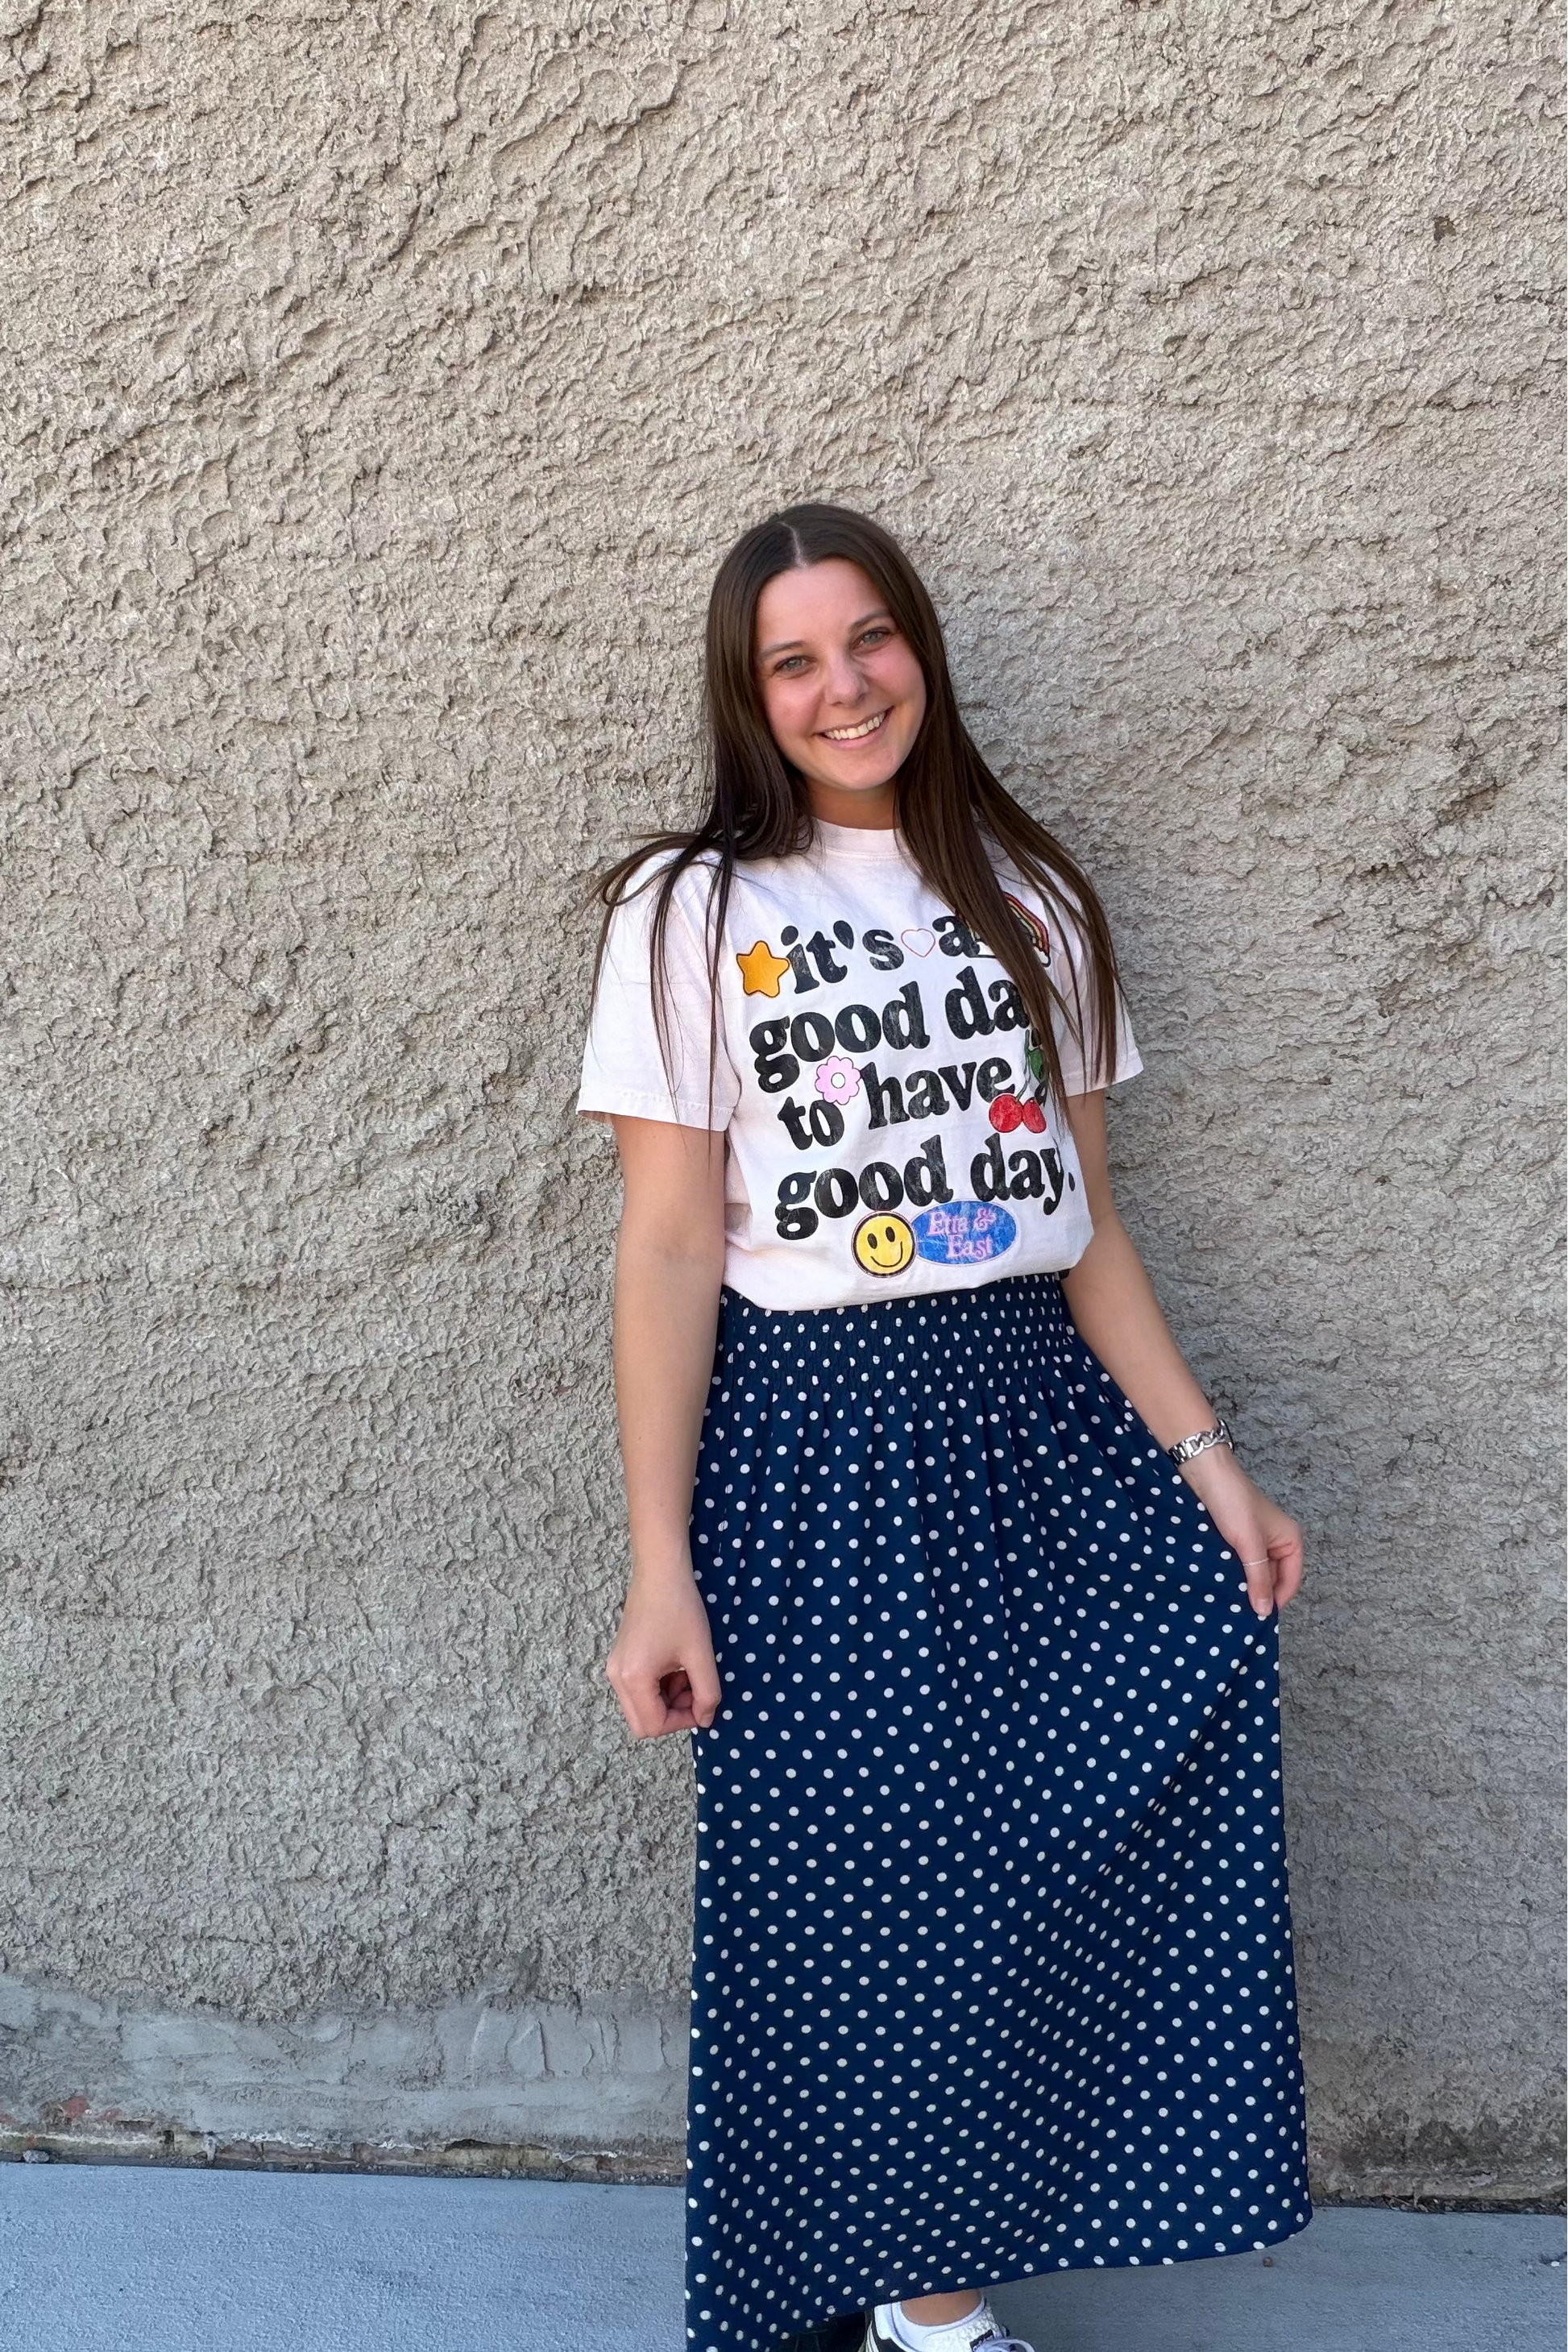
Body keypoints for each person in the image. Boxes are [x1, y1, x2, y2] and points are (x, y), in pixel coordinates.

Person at [577, 504, 1312, 2352]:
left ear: (921, 647)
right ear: (751, 696)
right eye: (795, 660)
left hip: (1038, 1432)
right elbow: (668, 1249)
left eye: (871, 637)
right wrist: (660, 1566)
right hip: (816, 1451)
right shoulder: (694, 911)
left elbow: (1091, 1230)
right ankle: (882, 2295)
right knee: (851, 1899)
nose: (846, 686)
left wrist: (1208, 1465)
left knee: (1019, 1872)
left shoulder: (1031, 897)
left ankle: (931, 2298)